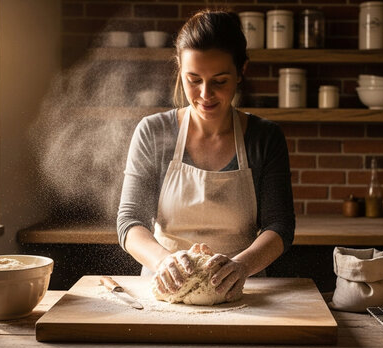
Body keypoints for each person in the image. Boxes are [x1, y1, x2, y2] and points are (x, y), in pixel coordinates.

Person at [117, 10, 295, 302]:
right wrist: (163, 261)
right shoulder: (152, 132)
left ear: (241, 72)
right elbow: (129, 221)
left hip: (240, 289)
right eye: (193, 79)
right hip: (165, 290)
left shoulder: (265, 138)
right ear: (179, 69)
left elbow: (280, 227)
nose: (205, 94)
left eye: (220, 80)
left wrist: (242, 265)